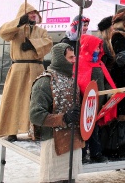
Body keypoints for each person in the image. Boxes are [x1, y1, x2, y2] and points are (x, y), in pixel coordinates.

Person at [0, 2, 53, 142]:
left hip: (36, 69)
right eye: (29, 13)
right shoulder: (15, 30)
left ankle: (36, 129)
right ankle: (11, 130)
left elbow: (48, 43)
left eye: (35, 13)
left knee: (37, 100)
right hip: (18, 70)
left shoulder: (41, 31)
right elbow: (2, 32)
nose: (33, 15)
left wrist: (33, 45)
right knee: (14, 99)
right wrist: (19, 22)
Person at [30, 43, 83, 183]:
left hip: (73, 141)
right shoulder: (44, 82)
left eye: (74, 56)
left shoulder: (73, 80)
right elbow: (36, 115)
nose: (74, 60)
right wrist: (63, 118)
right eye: (70, 57)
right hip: (54, 143)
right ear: (60, 59)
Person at [101, 8, 125, 157]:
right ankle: (118, 146)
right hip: (121, 77)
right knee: (122, 112)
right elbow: (119, 59)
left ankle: (124, 145)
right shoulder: (118, 35)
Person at [77, 34, 114, 163]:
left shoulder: (99, 64)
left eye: (99, 48)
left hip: (98, 103)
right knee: (84, 130)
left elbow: (106, 80)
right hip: (86, 104)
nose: (98, 50)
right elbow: (80, 82)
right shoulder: (80, 63)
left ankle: (95, 153)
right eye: (96, 47)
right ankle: (81, 153)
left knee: (95, 130)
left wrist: (110, 92)